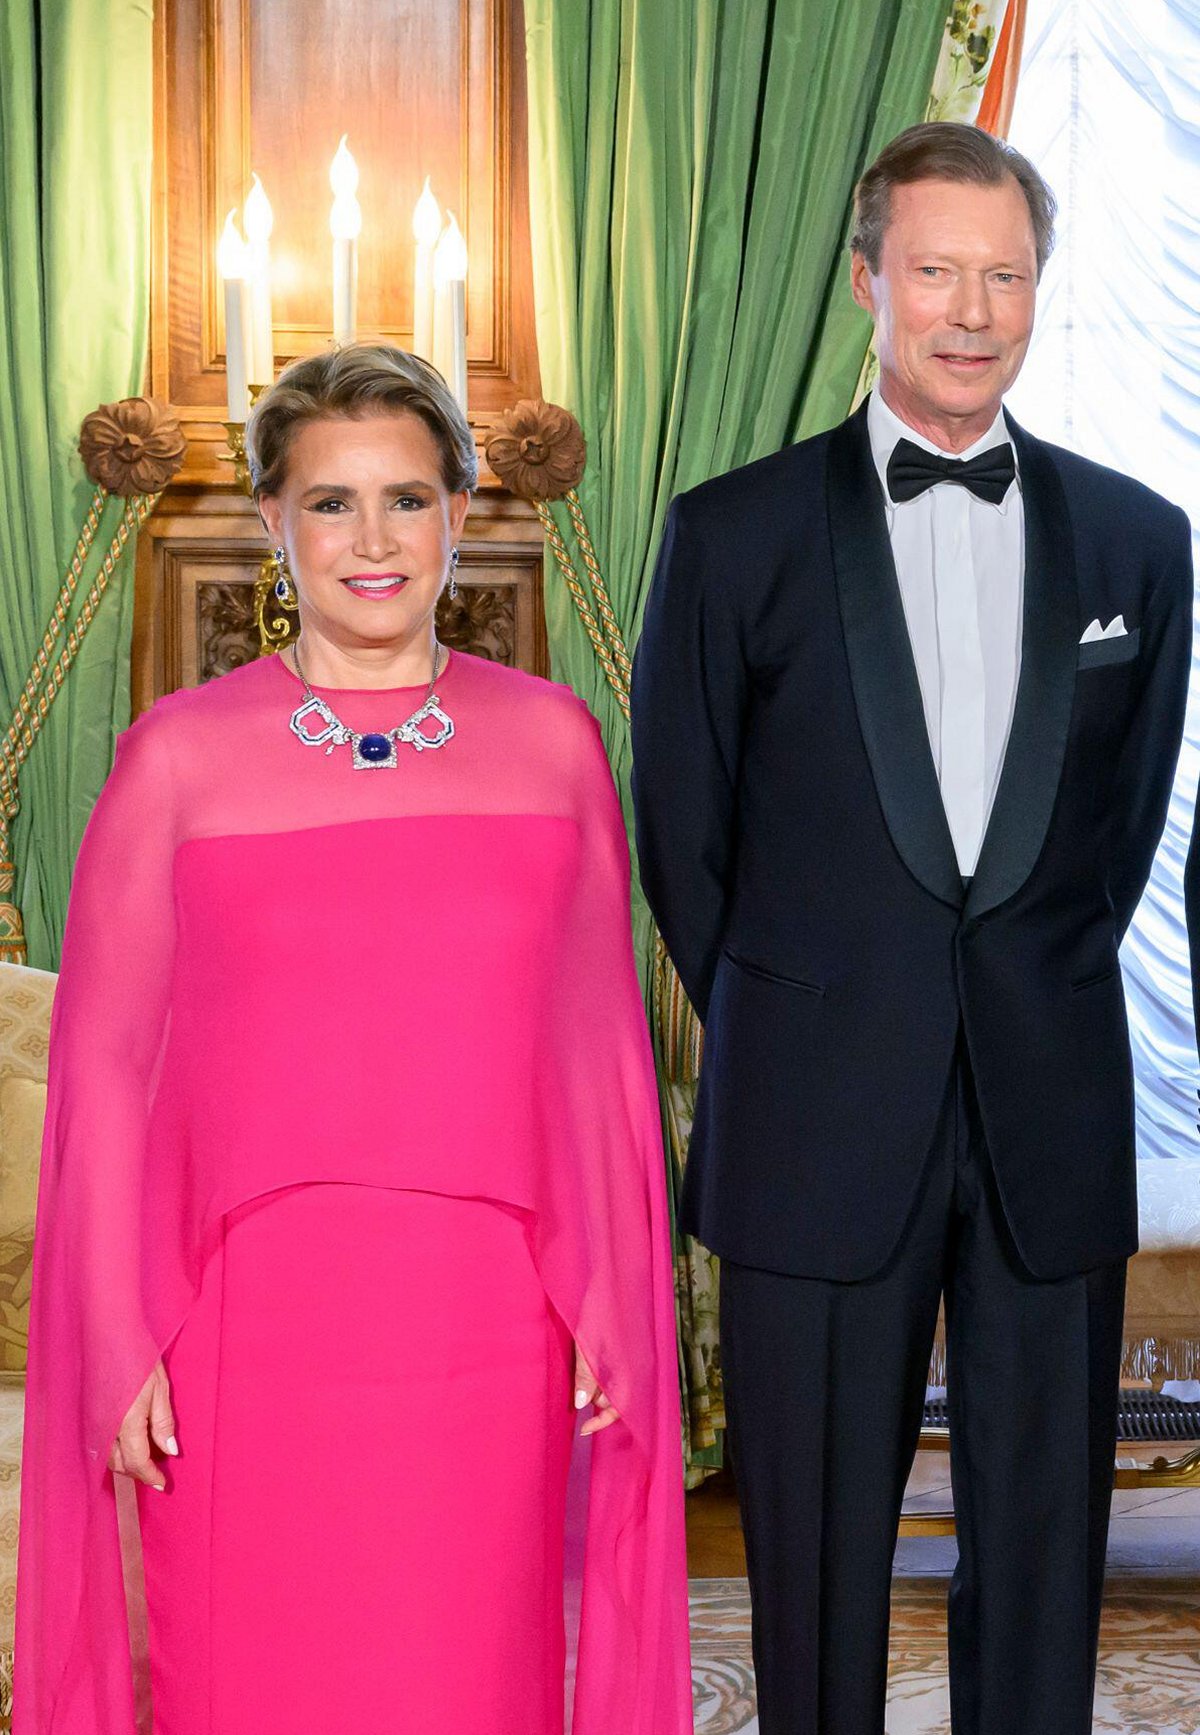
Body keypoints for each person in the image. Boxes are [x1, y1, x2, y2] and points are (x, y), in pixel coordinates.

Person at [17, 344, 691, 1735]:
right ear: (273, 519)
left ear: (461, 513)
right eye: (330, 503)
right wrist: (111, 1330)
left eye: (405, 499)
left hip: (487, 1311)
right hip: (243, 1320)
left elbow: (596, 1055)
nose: (370, 541)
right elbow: (100, 1069)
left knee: (470, 1673)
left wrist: (610, 1287)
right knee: (250, 1670)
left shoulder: (558, 745)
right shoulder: (176, 759)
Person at [631, 122, 1193, 1735]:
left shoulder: (1143, 544)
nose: (971, 309)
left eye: (1003, 275)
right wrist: (821, 1001)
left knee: (1044, 1547)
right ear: (870, 279)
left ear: (1037, 294)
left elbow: (1120, 825)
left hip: (1049, 1107)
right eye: (937, 271)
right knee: (812, 1563)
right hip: (814, 1111)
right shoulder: (730, 533)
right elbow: (687, 837)